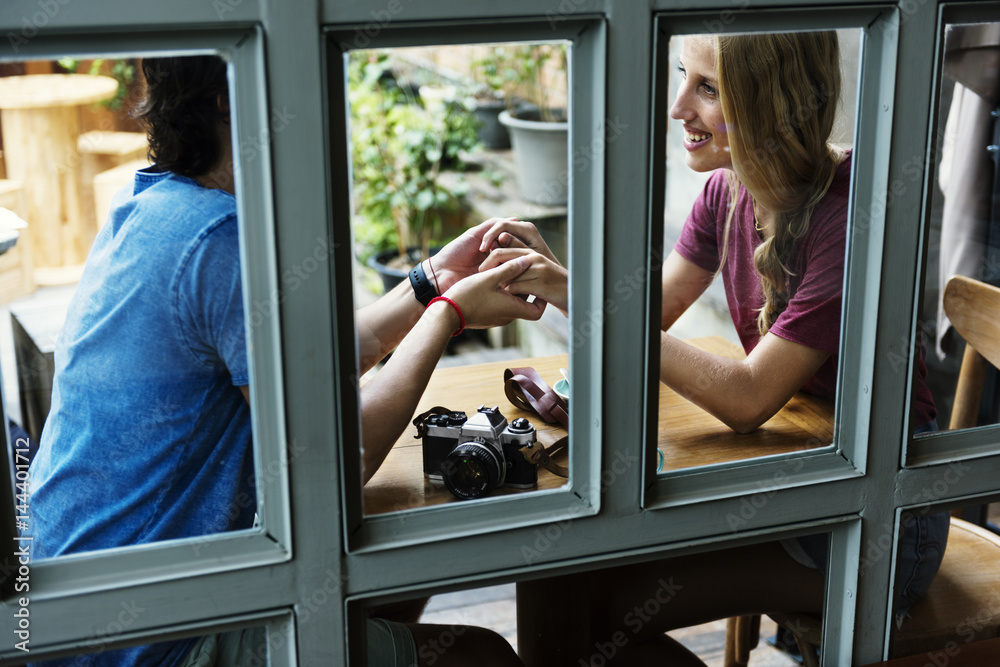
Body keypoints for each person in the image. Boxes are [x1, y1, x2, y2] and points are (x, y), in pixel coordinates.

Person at [28, 56, 528, 666]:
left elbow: (295, 360)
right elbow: (339, 461)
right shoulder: (221, 242)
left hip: (70, 610)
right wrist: (447, 314)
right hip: (145, 639)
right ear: (228, 96)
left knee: (392, 582)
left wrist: (427, 282)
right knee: (480, 658)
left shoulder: (158, 207)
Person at [481, 32, 947, 665]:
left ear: (772, 105)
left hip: (879, 522)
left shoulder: (851, 215)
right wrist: (555, 274)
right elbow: (651, 315)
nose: (678, 108)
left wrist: (574, 293)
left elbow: (747, 399)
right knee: (577, 590)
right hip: (805, 476)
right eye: (683, 77)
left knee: (595, 608)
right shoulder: (725, 191)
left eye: (707, 88)